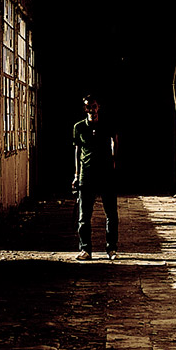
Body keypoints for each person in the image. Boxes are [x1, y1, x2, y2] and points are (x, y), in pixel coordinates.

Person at [72, 94, 119, 260]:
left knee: (111, 214)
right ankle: (85, 250)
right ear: (85, 109)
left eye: (94, 106)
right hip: (87, 175)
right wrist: (76, 175)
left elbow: (115, 142)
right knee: (84, 216)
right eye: (88, 107)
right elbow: (77, 151)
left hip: (106, 174)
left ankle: (111, 249)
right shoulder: (79, 127)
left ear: (98, 107)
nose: (91, 109)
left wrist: (114, 163)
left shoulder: (107, 125)